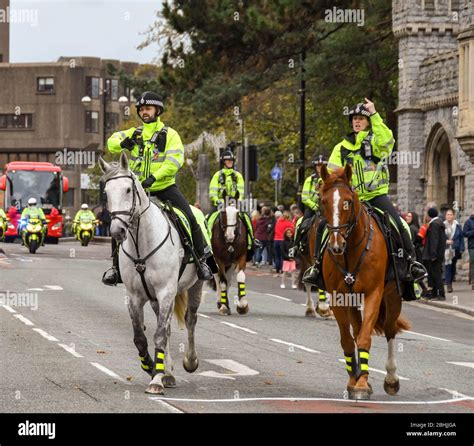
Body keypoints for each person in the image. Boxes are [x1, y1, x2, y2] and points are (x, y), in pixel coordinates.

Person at [303, 98, 427, 287]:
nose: (357, 121)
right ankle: (317, 266)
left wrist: (375, 114)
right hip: (350, 199)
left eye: (361, 118)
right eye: (354, 119)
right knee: (321, 226)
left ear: (367, 122)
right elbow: (331, 174)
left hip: (375, 196)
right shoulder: (341, 147)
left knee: (399, 224)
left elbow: (388, 140)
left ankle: (412, 263)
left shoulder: (376, 141)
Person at [103, 91, 213, 284]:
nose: (145, 112)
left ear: (157, 110)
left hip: (164, 187)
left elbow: (174, 161)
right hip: (138, 191)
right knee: (118, 221)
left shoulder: (171, 135)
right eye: (142, 109)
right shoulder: (135, 133)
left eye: (148, 108)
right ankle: (115, 268)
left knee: (189, 216)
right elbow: (110, 143)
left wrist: (153, 178)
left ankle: (203, 260)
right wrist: (123, 143)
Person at [208, 148, 255, 259]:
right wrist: (218, 201)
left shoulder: (238, 175)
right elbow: (212, 192)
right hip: (220, 203)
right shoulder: (217, 175)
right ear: (223, 162)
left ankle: (251, 241)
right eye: (227, 161)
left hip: (235, 203)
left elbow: (241, 191)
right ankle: (207, 243)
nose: (230, 162)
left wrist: (237, 201)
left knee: (247, 218)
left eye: (231, 161)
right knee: (209, 220)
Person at [423, 207, 447, 300]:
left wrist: (433, 254)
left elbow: (434, 240)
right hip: (439, 253)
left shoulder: (434, 224)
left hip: (435, 254)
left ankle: (441, 294)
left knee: (436, 274)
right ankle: (434, 293)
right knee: (435, 273)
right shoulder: (439, 222)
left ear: (429, 215)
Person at [443, 209, 464, 293]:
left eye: (451, 214)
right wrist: (446, 241)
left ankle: (451, 280)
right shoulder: (442, 225)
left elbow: (461, 237)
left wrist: (462, 248)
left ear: (453, 216)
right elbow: (440, 237)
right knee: (448, 266)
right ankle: (448, 285)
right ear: (445, 216)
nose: (449, 216)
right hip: (446, 249)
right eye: (448, 214)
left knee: (453, 267)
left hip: (455, 249)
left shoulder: (458, 225)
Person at [273, 211, 294, 276]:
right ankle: (283, 271)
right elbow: (293, 230)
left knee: (277, 256)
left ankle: (277, 271)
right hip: (283, 241)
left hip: (276, 240)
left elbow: (275, 230)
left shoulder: (278, 222)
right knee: (283, 256)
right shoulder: (289, 223)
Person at [462, 213, 474, 290]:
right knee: (473, 264)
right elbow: (465, 233)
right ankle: (473, 282)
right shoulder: (468, 222)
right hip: (472, 246)